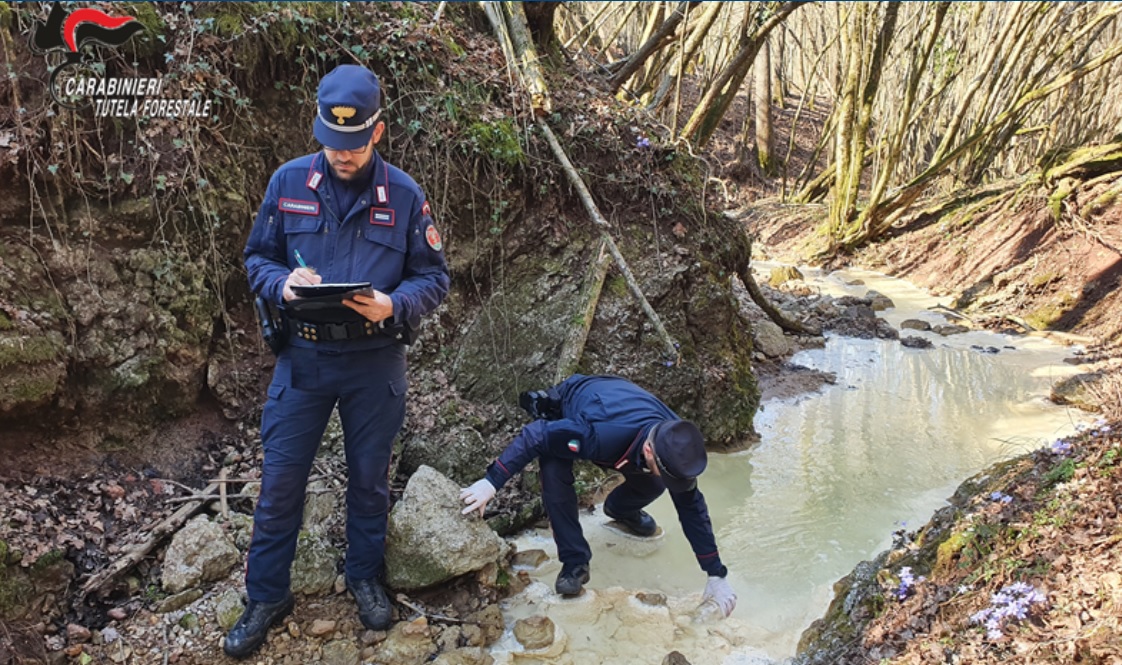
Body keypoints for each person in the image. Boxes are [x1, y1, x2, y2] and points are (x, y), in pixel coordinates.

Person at [225, 64, 450, 659]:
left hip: (376, 365)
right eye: (331, 142)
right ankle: (267, 596)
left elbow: (434, 279)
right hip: (302, 361)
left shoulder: (404, 195)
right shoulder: (288, 182)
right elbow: (256, 260)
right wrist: (283, 286)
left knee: (370, 484)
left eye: (352, 144)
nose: (341, 155)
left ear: (377, 132)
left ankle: (364, 577)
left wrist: (393, 304)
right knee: (279, 487)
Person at [460, 374, 737, 616]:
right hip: (580, 406)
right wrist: (490, 482)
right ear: (650, 451)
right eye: (660, 468)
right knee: (554, 472)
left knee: (656, 484)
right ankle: (574, 563)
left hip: (619, 400)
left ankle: (619, 510)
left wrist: (716, 573)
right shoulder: (599, 434)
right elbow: (535, 435)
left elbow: (692, 509)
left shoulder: (676, 441)